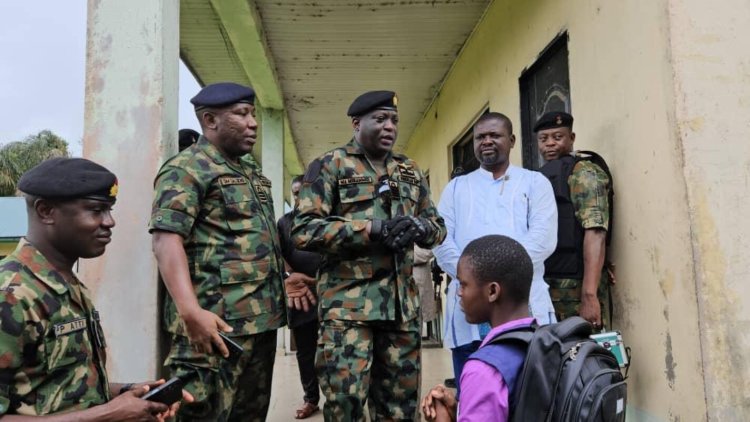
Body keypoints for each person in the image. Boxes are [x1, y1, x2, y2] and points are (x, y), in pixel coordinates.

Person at [291, 90, 447, 421]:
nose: (389, 126)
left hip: (400, 311)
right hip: (348, 311)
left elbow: (438, 227)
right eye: (380, 119)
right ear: (356, 123)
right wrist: (368, 230)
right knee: (345, 405)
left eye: (394, 120)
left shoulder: (409, 169)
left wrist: (419, 228)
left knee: (400, 407)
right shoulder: (329, 165)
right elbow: (303, 230)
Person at [0, 157, 191, 420]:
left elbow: (64, 389)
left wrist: (131, 393)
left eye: (109, 210)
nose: (109, 221)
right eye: (95, 210)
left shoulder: (65, 283)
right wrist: (109, 414)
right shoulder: (10, 295)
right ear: (46, 211)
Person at [150, 82, 286, 421]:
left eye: (253, 114)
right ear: (210, 120)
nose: (253, 123)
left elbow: (257, 238)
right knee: (202, 415)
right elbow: (166, 240)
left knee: (249, 415)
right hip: (213, 327)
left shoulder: (250, 171)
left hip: (260, 322)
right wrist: (190, 311)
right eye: (241, 114)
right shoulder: (187, 168)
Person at [433, 112, 557, 395]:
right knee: (474, 396)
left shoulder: (535, 183)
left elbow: (543, 240)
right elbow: (440, 240)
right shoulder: (456, 188)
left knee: (530, 397)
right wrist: (474, 282)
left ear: (511, 140)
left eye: (494, 135)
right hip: (469, 307)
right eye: (480, 137)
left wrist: (497, 280)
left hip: (523, 304)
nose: (486, 141)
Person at [422, 234, 535, 422]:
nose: (459, 292)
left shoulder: (483, 370)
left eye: (464, 284)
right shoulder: (549, 343)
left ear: (492, 291)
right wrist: (459, 410)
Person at [535, 111, 613, 329]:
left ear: (572, 138)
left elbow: (596, 231)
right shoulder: (538, 177)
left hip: (577, 290)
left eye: (557, 137)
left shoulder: (583, 173)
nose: (550, 144)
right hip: (548, 289)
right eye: (543, 139)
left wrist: (589, 294)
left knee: (585, 355)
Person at [278, 175, 322, 419]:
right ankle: (311, 399)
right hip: (301, 295)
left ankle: (342, 398)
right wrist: (290, 275)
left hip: (330, 294)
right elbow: (278, 253)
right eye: (295, 193)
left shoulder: (327, 217)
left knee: (336, 351)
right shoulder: (284, 223)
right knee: (305, 351)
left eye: (304, 192)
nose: (299, 197)